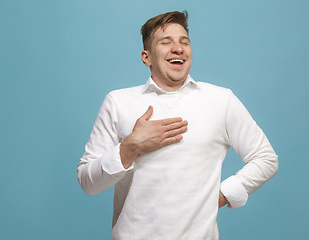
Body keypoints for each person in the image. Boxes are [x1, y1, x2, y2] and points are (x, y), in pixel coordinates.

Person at [77, 10, 278, 240]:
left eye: (184, 42)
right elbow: (87, 183)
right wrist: (130, 147)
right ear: (147, 57)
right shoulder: (118, 102)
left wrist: (221, 196)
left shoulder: (221, 100)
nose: (178, 48)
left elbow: (266, 158)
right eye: (166, 42)